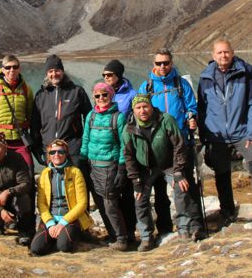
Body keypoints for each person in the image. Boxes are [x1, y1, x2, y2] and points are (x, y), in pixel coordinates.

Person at [197, 39, 252, 229]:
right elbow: (202, 108)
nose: (223, 56)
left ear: (232, 52)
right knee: (221, 173)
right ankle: (227, 211)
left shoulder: (246, 72)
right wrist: (205, 137)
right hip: (217, 136)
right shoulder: (205, 76)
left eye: (226, 52)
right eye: (219, 53)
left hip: (242, 132)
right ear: (213, 56)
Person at [122, 94, 203, 251]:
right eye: (138, 108)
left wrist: (179, 172)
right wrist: (136, 181)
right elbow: (129, 156)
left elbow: (179, 146)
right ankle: (146, 237)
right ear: (133, 110)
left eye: (145, 106)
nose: (142, 110)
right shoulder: (129, 128)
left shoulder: (166, 119)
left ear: (151, 107)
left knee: (182, 187)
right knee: (140, 198)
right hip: (145, 170)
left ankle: (183, 229)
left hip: (168, 166)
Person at [137, 48, 200, 237]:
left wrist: (192, 117)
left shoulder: (181, 84)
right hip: (156, 145)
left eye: (166, 63)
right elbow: (139, 112)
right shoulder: (146, 87)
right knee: (160, 191)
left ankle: (193, 226)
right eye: (159, 63)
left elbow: (191, 106)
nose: (162, 67)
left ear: (171, 63)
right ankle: (164, 228)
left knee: (186, 185)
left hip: (180, 143)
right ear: (153, 64)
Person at [80, 82, 128, 251]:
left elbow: (124, 144)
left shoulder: (118, 117)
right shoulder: (91, 116)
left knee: (110, 203)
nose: (101, 99)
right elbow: (86, 139)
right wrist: (82, 158)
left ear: (111, 96)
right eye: (97, 96)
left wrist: (122, 167)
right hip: (92, 166)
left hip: (109, 166)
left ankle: (122, 238)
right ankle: (113, 234)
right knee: (100, 202)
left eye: (104, 95)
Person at [30, 139, 94, 256]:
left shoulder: (75, 172)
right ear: (49, 156)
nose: (56, 155)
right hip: (51, 218)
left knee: (63, 246)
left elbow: (82, 203)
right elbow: (41, 203)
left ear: (66, 154)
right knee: (35, 248)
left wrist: (62, 223)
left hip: (70, 219)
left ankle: (71, 234)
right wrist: (50, 224)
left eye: (60, 152)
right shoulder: (45, 173)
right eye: (52, 152)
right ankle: (54, 235)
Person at [31, 54, 92, 166]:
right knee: (52, 181)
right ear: (47, 73)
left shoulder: (77, 91)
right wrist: (37, 148)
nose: (54, 74)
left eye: (57, 70)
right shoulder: (40, 95)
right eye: (50, 71)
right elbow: (35, 125)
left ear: (63, 71)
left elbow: (90, 118)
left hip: (72, 147)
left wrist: (84, 144)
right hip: (49, 148)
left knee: (76, 180)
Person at [101, 59, 137, 244]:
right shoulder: (102, 93)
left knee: (127, 190)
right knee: (111, 191)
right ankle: (117, 232)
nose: (107, 78)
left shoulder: (131, 94)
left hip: (126, 147)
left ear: (118, 75)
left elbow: (136, 118)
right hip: (108, 149)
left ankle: (130, 231)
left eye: (110, 75)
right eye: (104, 75)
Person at [0, 55, 35, 168]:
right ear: (3, 69)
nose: (12, 70)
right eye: (8, 67)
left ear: (19, 68)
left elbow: (31, 116)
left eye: (15, 67)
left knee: (28, 168)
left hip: (20, 139)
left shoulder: (26, 89)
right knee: (2, 172)